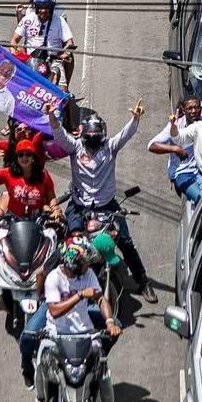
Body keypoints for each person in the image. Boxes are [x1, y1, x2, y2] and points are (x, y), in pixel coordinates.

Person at [46, 101, 158, 304]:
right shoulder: (75, 147)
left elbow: (126, 134)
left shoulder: (110, 147)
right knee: (71, 240)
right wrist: (52, 116)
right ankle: (66, 282)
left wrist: (136, 118)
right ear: (82, 137)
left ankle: (143, 283)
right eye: (89, 139)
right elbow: (59, 135)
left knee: (125, 242)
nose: (93, 144)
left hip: (108, 206)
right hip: (79, 206)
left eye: (96, 140)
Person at [34, 237, 125, 402]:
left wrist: (109, 321)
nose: (88, 266)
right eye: (84, 263)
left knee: (103, 372)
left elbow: (100, 299)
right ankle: (41, 401)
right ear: (73, 264)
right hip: (56, 333)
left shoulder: (89, 274)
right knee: (41, 362)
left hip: (86, 332)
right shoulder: (54, 279)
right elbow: (54, 311)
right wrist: (80, 295)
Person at [0, 140, 61, 317]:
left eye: (28, 154)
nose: (24, 157)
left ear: (33, 158)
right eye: (21, 154)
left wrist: (55, 209)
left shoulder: (43, 175)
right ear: (16, 157)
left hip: (37, 222)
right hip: (13, 222)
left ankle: (52, 292)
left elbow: (50, 196)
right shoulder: (9, 174)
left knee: (50, 253)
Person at [147, 95, 202, 202]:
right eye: (189, 108)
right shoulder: (176, 125)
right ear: (184, 110)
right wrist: (175, 149)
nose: (194, 111)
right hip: (184, 174)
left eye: (196, 108)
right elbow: (152, 145)